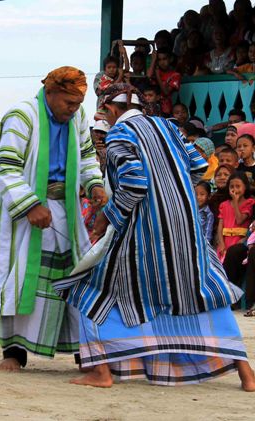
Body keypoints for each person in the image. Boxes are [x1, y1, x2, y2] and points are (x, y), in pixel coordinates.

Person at [63, 83, 255, 391]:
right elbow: (200, 166)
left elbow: (135, 184)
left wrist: (107, 216)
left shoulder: (120, 136)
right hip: (186, 224)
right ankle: (247, 374)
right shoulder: (168, 126)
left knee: (88, 289)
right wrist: (171, 186)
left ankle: (101, 371)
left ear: (112, 110)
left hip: (145, 228)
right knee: (201, 291)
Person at [0, 67, 105, 371]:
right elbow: (7, 167)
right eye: (69, 102)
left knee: (77, 278)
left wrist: (95, 185)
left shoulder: (77, 116)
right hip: (26, 214)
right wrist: (30, 205)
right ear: (50, 93)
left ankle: (84, 352)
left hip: (67, 208)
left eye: (78, 103)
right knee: (22, 277)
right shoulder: (22, 116)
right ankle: (13, 352)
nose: (74, 109)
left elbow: (88, 155)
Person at [216, 171, 254, 262]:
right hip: (225, 241)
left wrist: (235, 202)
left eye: (238, 186)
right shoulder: (224, 205)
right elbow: (220, 227)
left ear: (245, 187)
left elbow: (239, 220)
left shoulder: (249, 203)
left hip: (239, 240)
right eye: (231, 187)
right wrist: (221, 243)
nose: (234, 190)